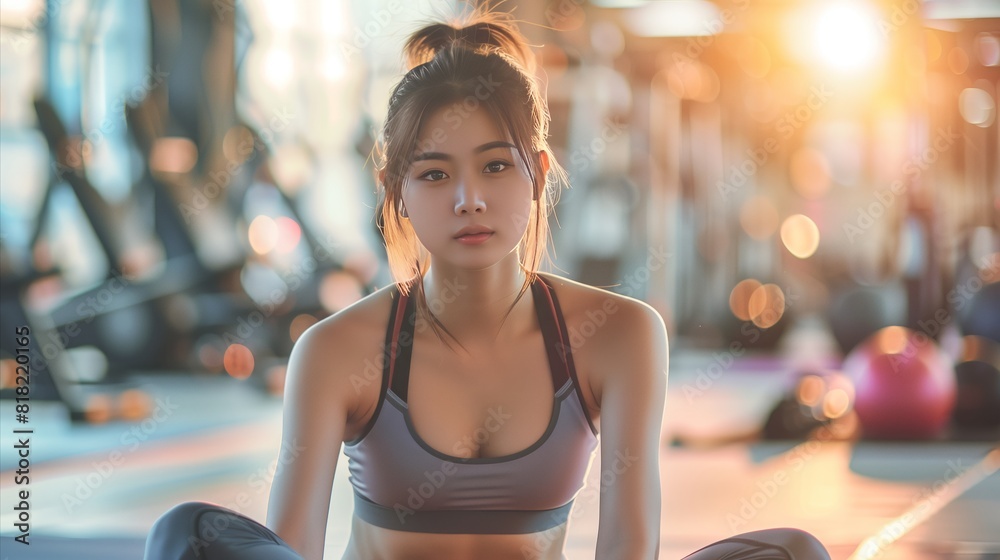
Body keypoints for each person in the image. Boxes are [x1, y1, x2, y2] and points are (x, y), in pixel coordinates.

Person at [143, 9, 831, 560]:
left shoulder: (620, 334)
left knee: (794, 552)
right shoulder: (335, 350)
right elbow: (285, 551)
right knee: (185, 534)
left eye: (496, 167)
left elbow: (628, 549)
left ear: (536, 171)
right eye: (436, 174)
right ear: (398, 192)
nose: (468, 199)